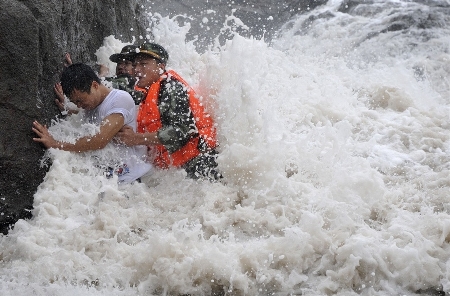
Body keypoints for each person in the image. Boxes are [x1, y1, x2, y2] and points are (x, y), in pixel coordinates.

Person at [116, 42, 222, 181]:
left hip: (200, 163)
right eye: (135, 64)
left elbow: (180, 131)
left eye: (143, 64)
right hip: (178, 171)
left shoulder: (171, 88)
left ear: (160, 67)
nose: (137, 69)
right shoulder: (146, 91)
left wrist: (136, 138)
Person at [33, 63, 152, 183]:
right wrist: (66, 108)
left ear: (95, 85)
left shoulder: (120, 99)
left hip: (129, 180)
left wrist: (56, 144)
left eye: (80, 100)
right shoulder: (90, 106)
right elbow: (85, 121)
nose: (79, 105)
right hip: (105, 182)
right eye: (75, 102)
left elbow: (98, 141)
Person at [54, 45, 144, 114]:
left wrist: (78, 75)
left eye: (126, 63)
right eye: (119, 63)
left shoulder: (129, 81)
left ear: (138, 67)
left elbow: (97, 85)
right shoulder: (117, 92)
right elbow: (91, 115)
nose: (120, 66)